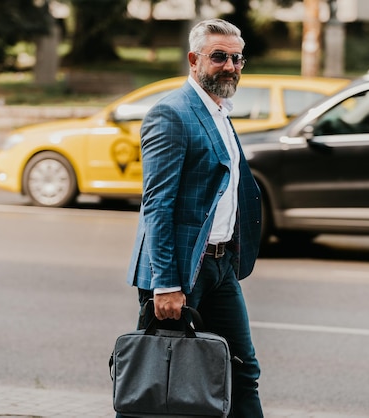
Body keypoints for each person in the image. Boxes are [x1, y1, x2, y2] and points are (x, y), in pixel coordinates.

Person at [125, 18, 264, 418]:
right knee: (158, 376)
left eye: (237, 58)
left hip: (220, 266)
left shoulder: (220, 111)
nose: (230, 66)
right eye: (219, 56)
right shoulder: (171, 114)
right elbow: (158, 205)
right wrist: (165, 284)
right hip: (181, 272)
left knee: (241, 370)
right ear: (193, 59)